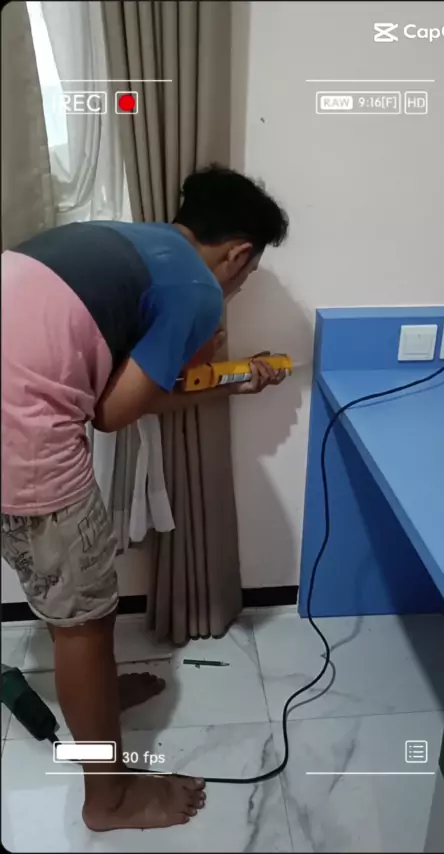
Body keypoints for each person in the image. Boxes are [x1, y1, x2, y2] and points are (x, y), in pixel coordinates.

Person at [1, 164, 289, 831]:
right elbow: (114, 413)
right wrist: (218, 369)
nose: (237, 289)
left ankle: (96, 695)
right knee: (83, 623)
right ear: (238, 253)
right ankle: (109, 800)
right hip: (22, 442)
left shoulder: (118, 238)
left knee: (75, 616)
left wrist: (220, 377)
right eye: (246, 277)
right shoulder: (196, 287)